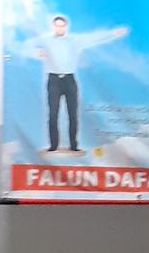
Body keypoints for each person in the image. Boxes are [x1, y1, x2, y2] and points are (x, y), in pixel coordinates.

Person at [25, 14, 128, 153]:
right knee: (53, 114)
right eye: (57, 26)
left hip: (69, 80)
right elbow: (25, 45)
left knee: (73, 114)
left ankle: (74, 145)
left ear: (66, 27)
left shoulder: (75, 40)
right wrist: (36, 52)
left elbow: (94, 37)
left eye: (62, 26)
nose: (60, 28)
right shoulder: (45, 40)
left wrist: (112, 33)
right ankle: (53, 146)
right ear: (53, 26)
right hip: (53, 81)